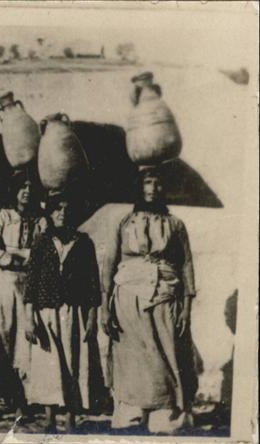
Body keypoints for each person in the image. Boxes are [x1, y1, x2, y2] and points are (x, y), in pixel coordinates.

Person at [100, 167, 198, 433]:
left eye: (157, 183)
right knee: (132, 357)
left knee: (166, 353)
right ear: (139, 187)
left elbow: (186, 265)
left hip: (165, 295)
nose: (153, 188)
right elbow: (109, 264)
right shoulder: (124, 222)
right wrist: (104, 308)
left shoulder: (175, 224)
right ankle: (132, 415)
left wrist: (187, 307)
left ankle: (165, 417)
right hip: (127, 298)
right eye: (147, 182)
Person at [23, 191, 103, 433]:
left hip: (73, 312)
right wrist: (29, 317)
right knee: (48, 366)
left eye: (67, 210)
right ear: (50, 213)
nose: (62, 213)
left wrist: (92, 318)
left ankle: (70, 419)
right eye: (57, 209)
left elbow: (92, 283)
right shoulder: (41, 241)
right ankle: (49, 420)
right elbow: (31, 282)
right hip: (46, 312)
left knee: (73, 365)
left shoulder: (84, 243)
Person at [0, 169, 48, 423]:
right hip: (0, 285)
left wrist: (29, 259)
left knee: (24, 343)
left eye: (30, 187)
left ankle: (21, 401)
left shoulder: (40, 221)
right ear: (14, 190)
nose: (26, 191)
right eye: (22, 187)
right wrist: (8, 258)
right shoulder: (4, 217)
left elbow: (45, 251)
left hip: (27, 285)